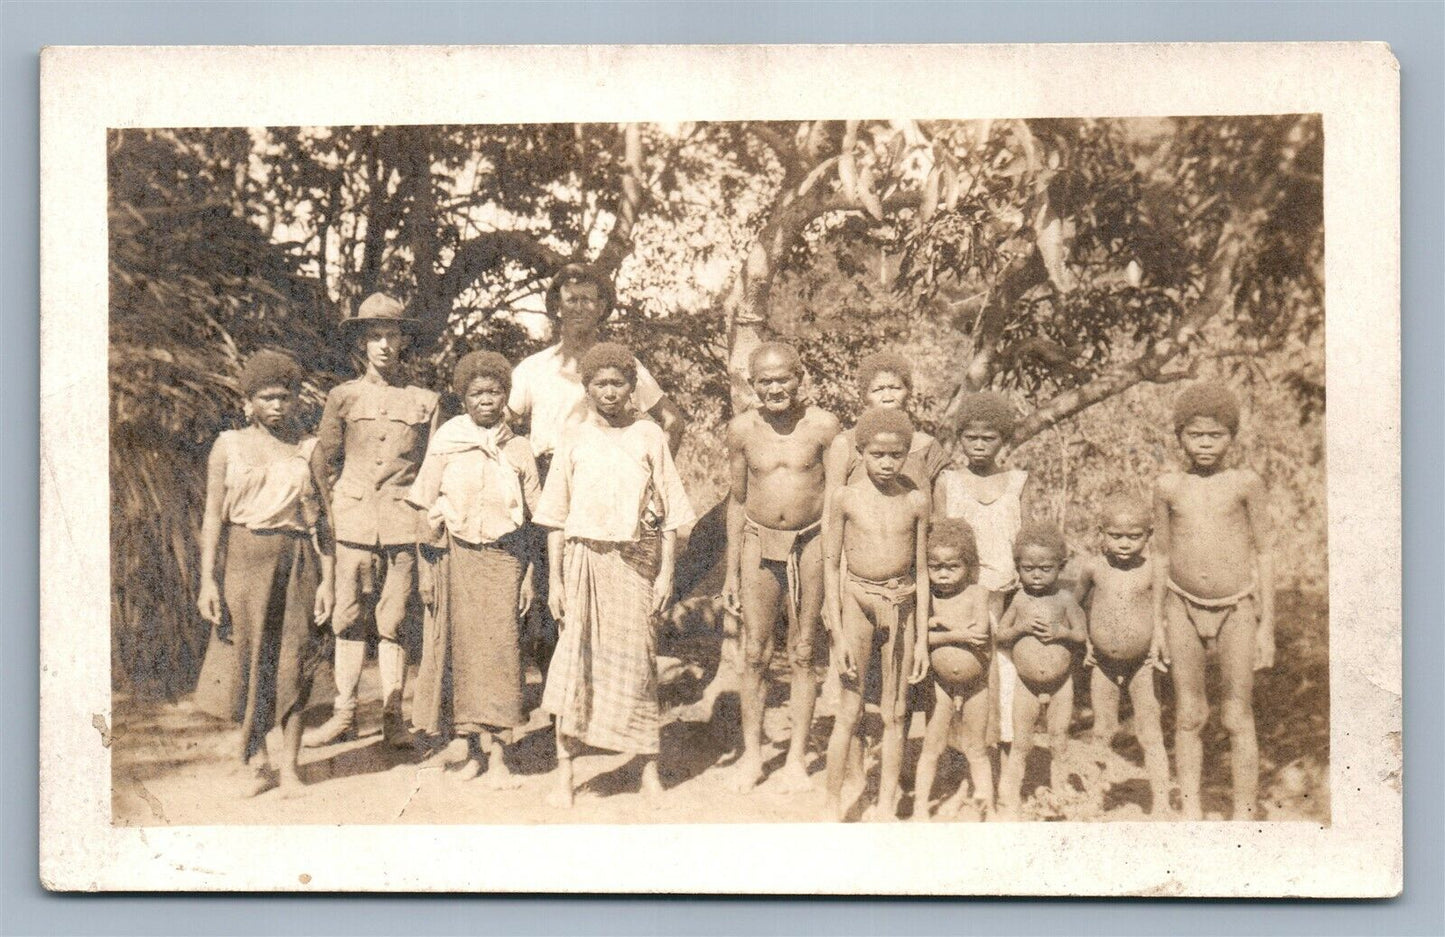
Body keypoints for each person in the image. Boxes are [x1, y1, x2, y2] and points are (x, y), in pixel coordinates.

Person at [535, 342, 696, 808]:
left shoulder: (649, 438)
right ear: (586, 388)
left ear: (632, 388)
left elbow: (670, 513)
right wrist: (555, 582)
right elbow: (555, 518)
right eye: (600, 383)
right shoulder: (573, 438)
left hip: (635, 565)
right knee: (574, 665)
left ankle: (647, 771)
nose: (609, 392)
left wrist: (666, 574)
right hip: (582, 562)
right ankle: (565, 776)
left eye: (618, 383)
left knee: (638, 664)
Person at [507, 264, 687, 675]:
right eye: (571, 299)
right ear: (555, 306)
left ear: (604, 307)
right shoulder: (534, 367)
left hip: (606, 485)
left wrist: (652, 488)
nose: (580, 308)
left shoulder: (622, 365)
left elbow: (672, 420)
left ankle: (605, 694)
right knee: (549, 588)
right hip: (548, 483)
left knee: (613, 592)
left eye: (590, 299)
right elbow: (502, 427)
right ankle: (558, 703)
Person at [304, 293, 441, 749]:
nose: (384, 345)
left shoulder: (425, 401)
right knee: (348, 617)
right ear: (362, 343)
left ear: (405, 341)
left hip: (404, 521)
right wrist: (334, 511)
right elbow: (325, 461)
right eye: (374, 336)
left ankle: (392, 717)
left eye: (392, 335)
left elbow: (434, 468)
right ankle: (345, 713)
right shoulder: (342, 397)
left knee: (395, 619)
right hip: (354, 522)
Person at [196, 351, 335, 796]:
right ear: (249, 401)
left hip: (297, 561)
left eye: (285, 397)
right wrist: (207, 580)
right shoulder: (228, 445)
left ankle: (291, 768)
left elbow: (326, 523)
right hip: (243, 560)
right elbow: (213, 517)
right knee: (249, 661)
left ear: (297, 400)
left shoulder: (308, 449)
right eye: (267, 397)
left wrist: (329, 580)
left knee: (296, 660)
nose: (277, 405)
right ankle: (257, 761)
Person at [406, 351, 543, 786]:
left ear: (506, 396)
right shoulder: (447, 440)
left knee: (501, 655)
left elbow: (537, 520)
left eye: (494, 391)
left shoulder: (519, 448)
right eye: (476, 392)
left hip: (505, 560)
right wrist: (426, 570)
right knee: (460, 655)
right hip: (455, 558)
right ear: (463, 397)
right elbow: (424, 504)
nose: (486, 399)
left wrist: (530, 577)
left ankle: (500, 756)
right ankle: (468, 750)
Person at [1152, 382, 1275, 821]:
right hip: (1181, 607)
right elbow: (1161, 555)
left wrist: (1267, 627)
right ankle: (1191, 812)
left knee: (1237, 715)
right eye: (1195, 435)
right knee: (1188, 714)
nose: (1205, 444)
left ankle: (1244, 815)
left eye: (1216, 435)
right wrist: (1156, 629)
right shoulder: (1168, 487)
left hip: (1238, 608)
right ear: (1180, 436)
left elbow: (1264, 552)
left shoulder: (1245, 484)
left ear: (1232, 436)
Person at [721, 342, 840, 792]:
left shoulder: (825, 427)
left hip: (811, 543)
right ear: (752, 385)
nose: (775, 388)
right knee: (754, 652)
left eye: (783, 378)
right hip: (757, 541)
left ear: (800, 376)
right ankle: (752, 756)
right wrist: (730, 572)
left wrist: (834, 562)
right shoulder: (741, 431)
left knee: (805, 650)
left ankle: (795, 758)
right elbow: (736, 500)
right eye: (765, 381)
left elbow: (836, 498)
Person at [821, 408, 930, 821]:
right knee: (849, 710)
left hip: (901, 604)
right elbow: (831, 565)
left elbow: (920, 570)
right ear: (860, 451)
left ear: (907, 454)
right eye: (878, 454)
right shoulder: (845, 498)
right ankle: (833, 804)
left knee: (896, 711)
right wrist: (837, 633)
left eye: (896, 455)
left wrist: (920, 640)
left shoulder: (916, 499)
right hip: (858, 603)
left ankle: (885, 804)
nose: (887, 464)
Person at [935, 392, 1030, 750]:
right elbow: (940, 537)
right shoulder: (950, 482)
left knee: (1001, 665)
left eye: (988, 438)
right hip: (960, 592)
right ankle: (957, 752)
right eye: (970, 437)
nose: (978, 445)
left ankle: (998, 746)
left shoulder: (1017, 482)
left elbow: (1025, 540)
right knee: (960, 664)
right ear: (960, 438)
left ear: (1003, 440)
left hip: (1003, 591)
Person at [1073, 494, 1172, 814]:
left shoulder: (1153, 569)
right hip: (1101, 663)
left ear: (1149, 535)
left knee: (1149, 730)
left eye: (1135, 536)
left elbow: (1162, 611)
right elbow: (1074, 606)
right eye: (1116, 536)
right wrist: (1085, 640)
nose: (1125, 544)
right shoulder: (1093, 568)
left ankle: (1161, 802)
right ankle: (1092, 798)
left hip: (1142, 663)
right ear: (1101, 533)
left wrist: (1160, 639)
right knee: (1102, 729)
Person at [994, 523, 1087, 820]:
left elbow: (1081, 635)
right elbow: (1002, 636)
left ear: (1061, 566)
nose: (1036, 575)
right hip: (1026, 683)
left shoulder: (1065, 600)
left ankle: (1059, 794)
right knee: (1022, 742)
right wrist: (1020, 626)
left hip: (1061, 684)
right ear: (1017, 566)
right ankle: (1009, 798)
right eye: (1028, 568)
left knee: (1059, 739)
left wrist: (1061, 632)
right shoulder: (1019, 599)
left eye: (1045, 569)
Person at [910, 518, 994, 821]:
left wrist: (942, 625)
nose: (943, 574)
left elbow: (981, 631)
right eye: (936, 567)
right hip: (940, 685)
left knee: (977, 748)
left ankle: (990, 808)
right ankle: (920, 807)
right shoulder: (928, 599)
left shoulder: (977, 593)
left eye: (952, 567)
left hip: (975, 685)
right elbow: (921, 637)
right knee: (931, 746)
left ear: (968, 565)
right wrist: (954, 633)